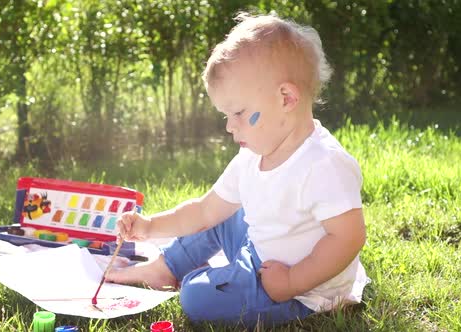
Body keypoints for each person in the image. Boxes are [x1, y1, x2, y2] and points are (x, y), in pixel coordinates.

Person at [107, 12, 369, 328]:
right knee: (224, 214)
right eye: (226, 116)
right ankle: (167, 266)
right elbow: (205, 211)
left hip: (298, 290)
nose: (230, 127)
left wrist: (292, 281)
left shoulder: (322, 165)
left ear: (286, 98)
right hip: (260, 254)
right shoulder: (253, 154)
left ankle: (205, 280)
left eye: (239, 113)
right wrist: (149, 227)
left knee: (195, 298)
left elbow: (348, 238)